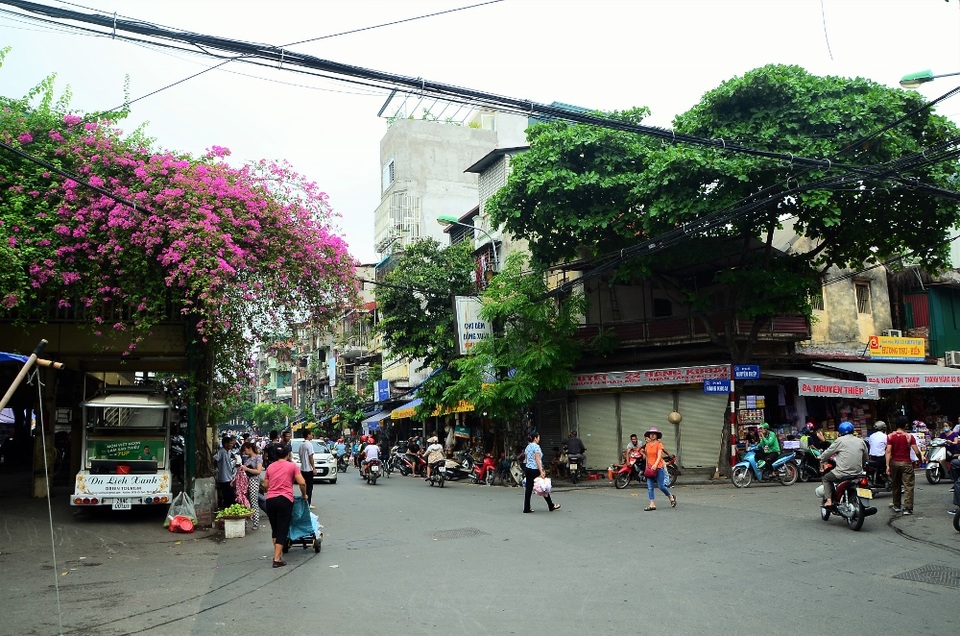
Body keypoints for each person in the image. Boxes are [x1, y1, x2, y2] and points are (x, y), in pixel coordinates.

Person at [261, 445, 308, 568]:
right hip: (285, 500)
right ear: (288, 455)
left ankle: (278, 554)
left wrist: (273, 488)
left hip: (270, 500)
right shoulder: (292, 466)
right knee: (283, 529)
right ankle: (276, 559)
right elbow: (302, 483)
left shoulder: (270, 467)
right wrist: (304, 495)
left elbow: (266, 485)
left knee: (275, 529)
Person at [819, 421, 868, 508]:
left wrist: (821, 458)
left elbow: (828, 452)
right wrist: (861, 467)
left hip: (842, 473)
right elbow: (865, 458)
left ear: (840, 432)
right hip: (858, 473)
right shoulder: (861, 441)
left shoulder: (839, 441)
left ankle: (829, 500)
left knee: (826, 478)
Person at [886, 416, 923, 515]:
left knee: (896, 484)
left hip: (894, 463)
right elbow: (916, 451)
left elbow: (888, 451)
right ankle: (907, 508)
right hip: (906, 463)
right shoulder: (909, 437)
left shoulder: (890, 436)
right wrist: (920, 459)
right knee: (908, 486)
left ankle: (897, 505)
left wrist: (887, 465)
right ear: (905, 425)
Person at [522, 432, 560, 513]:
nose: (539, 439)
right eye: (538, 437)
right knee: (544, 487)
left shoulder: (528, 447)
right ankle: (551, 505)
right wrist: (541, 471)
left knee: (528, 489)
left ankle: (526, 508)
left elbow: (526, 459)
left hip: (528, 469)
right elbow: (537, 459)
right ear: (535, 438)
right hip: (535, 469)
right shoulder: (536, 447)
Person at [641, 427, 675, 511]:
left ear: (657, 435)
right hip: (650, 468)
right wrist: (646, 467)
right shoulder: (647, 445)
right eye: (650, 434)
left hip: (658, 468)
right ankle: (652, 504)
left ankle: (670, 497)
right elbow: (648, 457)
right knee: (650, 487)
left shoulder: (659, 444)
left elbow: (659, 455)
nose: (652, 435)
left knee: (661, 486)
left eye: (654, 433)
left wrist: (656, 464)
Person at [239, 442, 263, 530]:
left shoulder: (258, 458)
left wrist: (247, 469)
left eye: (245, 449)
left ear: (249, 448)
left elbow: (258, 471)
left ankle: (256, 522)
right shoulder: (247, 459)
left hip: (254, 481)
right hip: (246, 482)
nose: (244, 452)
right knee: (245, 501)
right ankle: (244, 521)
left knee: (253, 502)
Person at [213, 435, 236, 510]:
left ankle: (229, 507)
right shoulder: (221, 451)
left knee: (230, 494)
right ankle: (228, 507)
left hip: (229, 476)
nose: (232, 445)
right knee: (227, 494)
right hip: (223, 476)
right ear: (225, 444)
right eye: (230, 443)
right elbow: (215, 459)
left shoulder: (229, 452)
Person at [298, 430, 316, 504]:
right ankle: (308, 502)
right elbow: (310, 457)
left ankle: (304, 500)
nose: (312, 436)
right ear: (308, 435)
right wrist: (314, 468)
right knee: (309, 487)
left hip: (302, 469)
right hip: (308, 469)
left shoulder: (301, 445)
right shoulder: (309, 444)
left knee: (304, 486)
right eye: (311, 434)